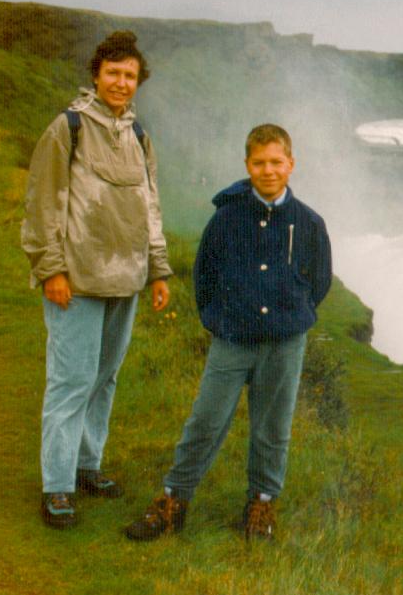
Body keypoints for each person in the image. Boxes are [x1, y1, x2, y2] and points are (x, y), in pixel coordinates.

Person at [125, 123, 332, 542]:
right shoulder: (227, 217)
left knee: (273, 428)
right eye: (260, 162)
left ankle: (261, 502)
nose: (269, 170)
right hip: (232, 340)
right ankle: (174, 499)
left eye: (277, 162)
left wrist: (294, 315)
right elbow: (204, 276)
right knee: (206, 420)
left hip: (284, 344)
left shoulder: (309, 222)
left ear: (291, 164)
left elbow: (320, 281)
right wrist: (219, 321)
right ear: (247, 165)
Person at [21, 31, 172, 530]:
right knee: (70, 381)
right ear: (96, 74)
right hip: (77, 279)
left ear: (137, 82)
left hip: (125, 278)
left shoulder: (138, 135)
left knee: (104, 379)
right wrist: (51, 269)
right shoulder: (68, 127)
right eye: (113, 73)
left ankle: (88, 467)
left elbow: (149, 207)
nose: (121, 83)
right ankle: (57, 486)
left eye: (130, 76)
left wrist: (157, 270)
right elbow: (43, 204)